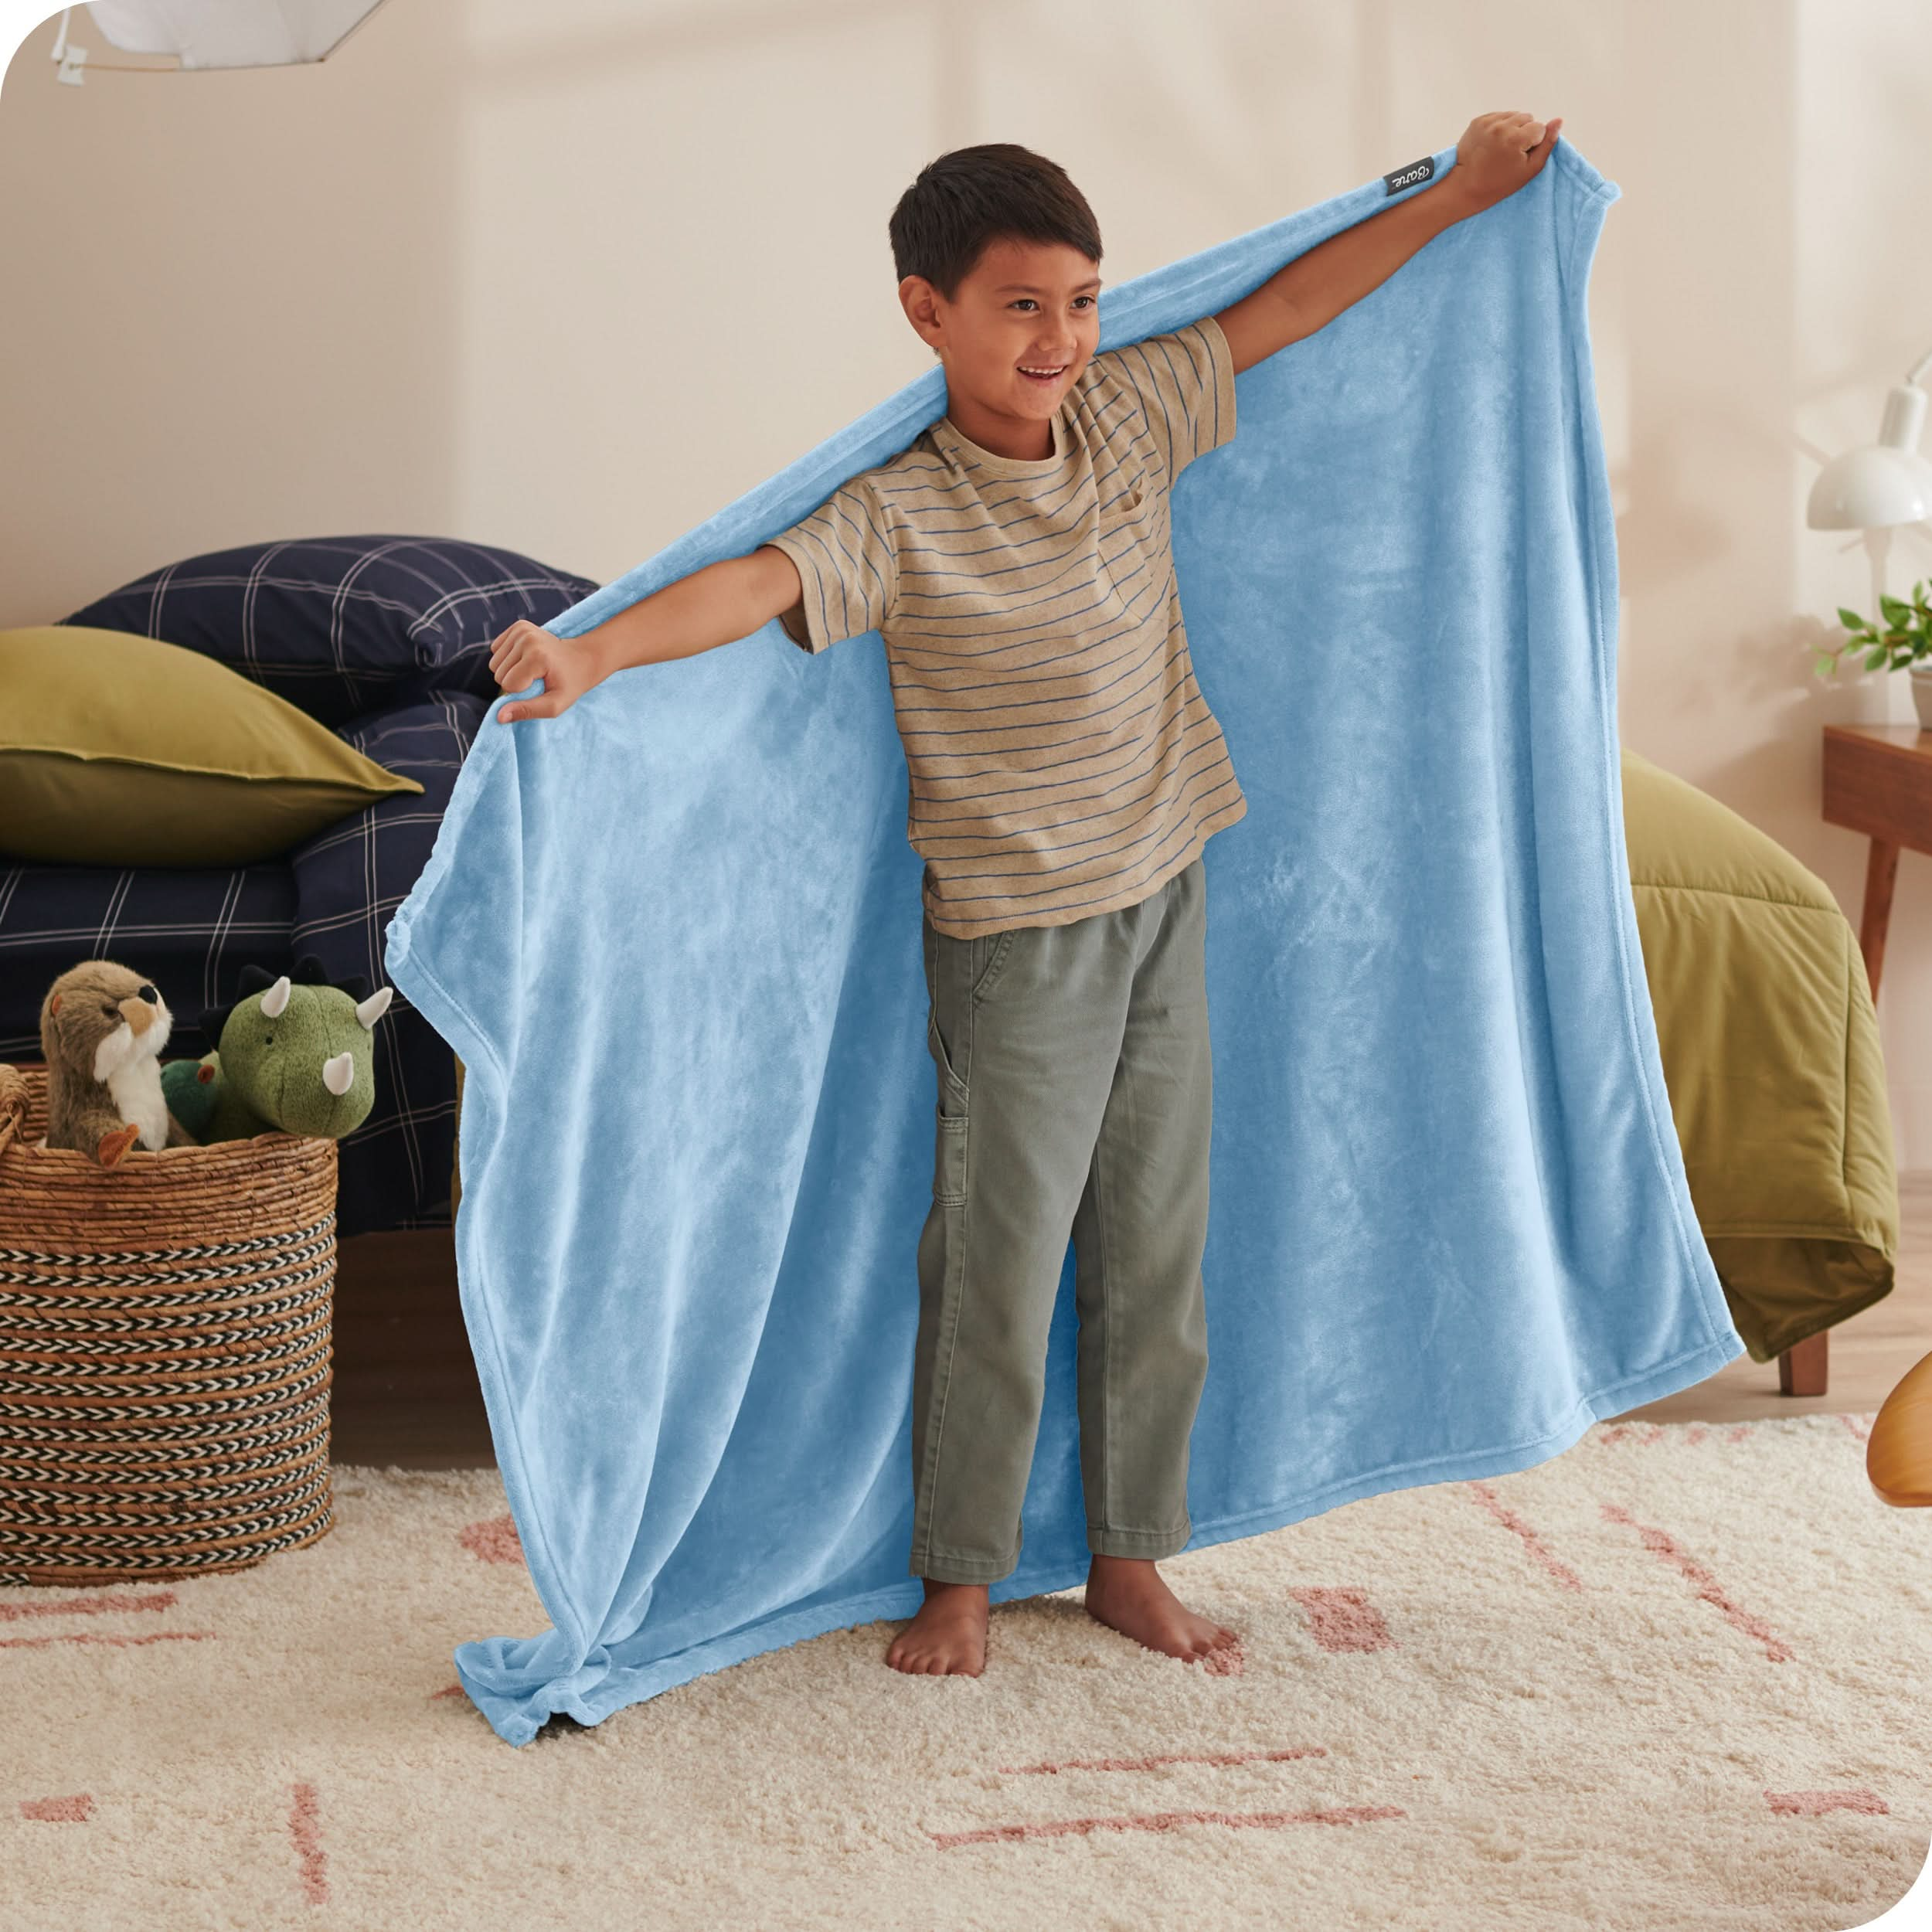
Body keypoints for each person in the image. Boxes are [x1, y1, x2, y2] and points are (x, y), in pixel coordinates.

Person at [485, 111, 1561, 1679]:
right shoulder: (900, 513)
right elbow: (753, 583)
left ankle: (1129, 1556)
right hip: (1012, 942)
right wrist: (589, 653)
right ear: (926, 312)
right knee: (999, 1263)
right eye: (1018, 305)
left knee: (1154, 1252)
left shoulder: (1125, 416)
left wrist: (1460, 195)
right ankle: (961, 1578)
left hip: (1164, 885)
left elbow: (1281, 308)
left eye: (1080, 300)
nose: (1057, 338)